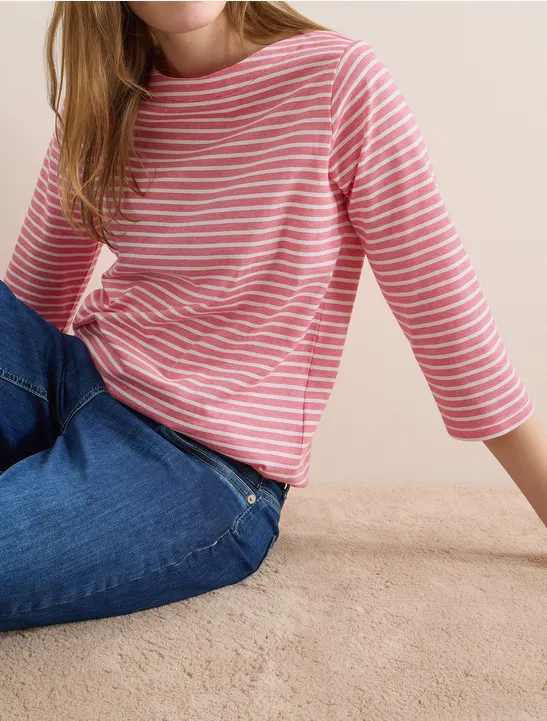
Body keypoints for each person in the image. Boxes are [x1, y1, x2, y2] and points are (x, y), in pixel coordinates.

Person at [1, 1, 545, 632]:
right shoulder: (105, 94)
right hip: (75, 376)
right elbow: (31, 302)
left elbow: (452, 326)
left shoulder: (338, 83)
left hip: (197, 467)